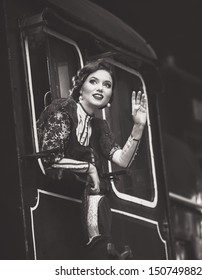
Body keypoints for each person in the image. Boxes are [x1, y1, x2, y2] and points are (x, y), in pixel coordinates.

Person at [37, 59, 147, 258]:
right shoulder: (63, 110)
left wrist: (138, 126)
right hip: (59, 199)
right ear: (81, 87)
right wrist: (90, 168)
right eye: (93, 81)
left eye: (107, 85)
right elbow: (50, 158)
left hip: (85, 203)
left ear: (110, 96)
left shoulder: (99, 126)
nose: (100, 88)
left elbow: (122, 159)